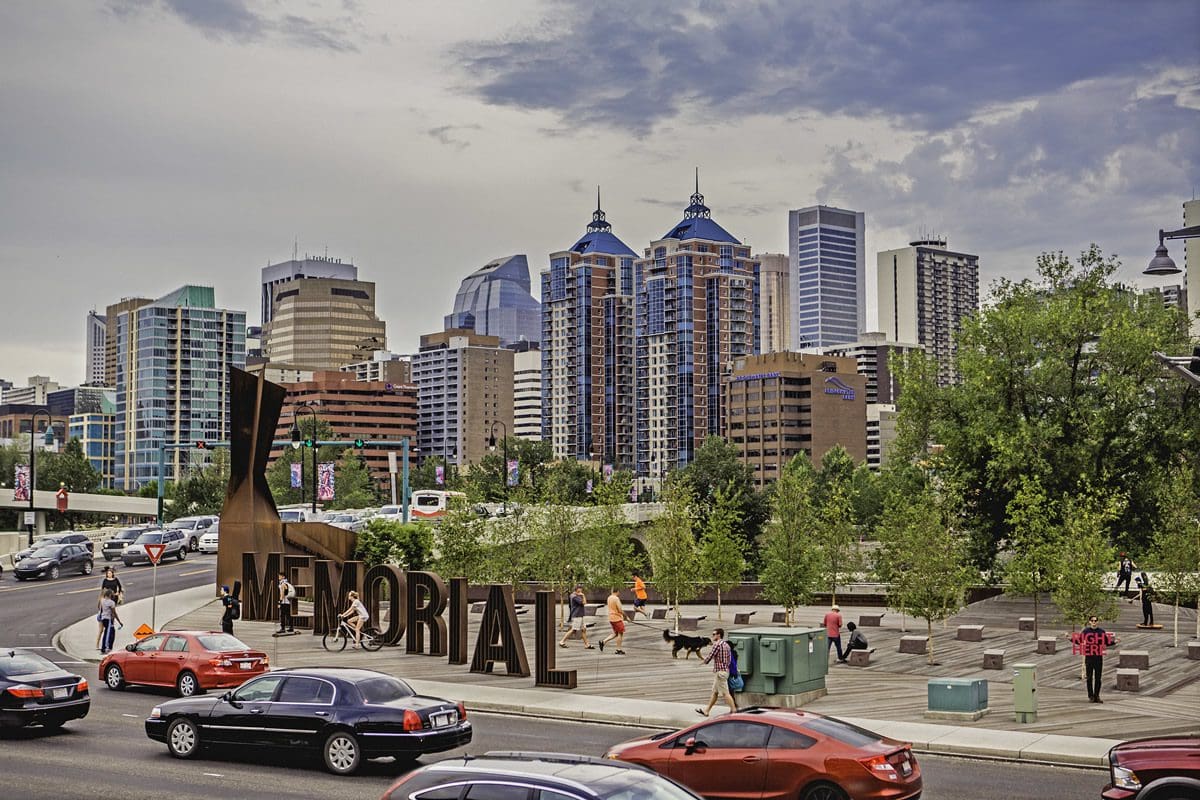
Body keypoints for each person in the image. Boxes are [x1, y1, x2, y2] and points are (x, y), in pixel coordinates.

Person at [695, 628, 738, 717]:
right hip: (725, 671)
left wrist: (704, 662)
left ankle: (734, 711)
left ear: (719, 635)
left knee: (726, 693)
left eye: (714, 634)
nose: (712, 636)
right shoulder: (726, 645)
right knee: (715, 692)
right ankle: (706, 711)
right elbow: (729, 659)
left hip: (720, 673)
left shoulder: (717, 644)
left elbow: (711, 655)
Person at [1073, 616, 1116, 703]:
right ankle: (1091, 696)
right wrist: (1070, 639)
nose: (1094, 622)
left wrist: (1115, 642)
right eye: (1092, 620)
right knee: (1089, 678)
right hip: (1089, 656)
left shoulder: (1101, 631)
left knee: (1098, 678)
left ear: (1098, 622)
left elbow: (1106, 642)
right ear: (1089, 622)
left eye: (1095, 621)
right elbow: (1079, 641)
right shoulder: (1086, 631)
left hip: (1098, 656)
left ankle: (1097, 696)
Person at [599, 588, 627, 654]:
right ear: (617, 591)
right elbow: (620, 610)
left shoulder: (609, 597)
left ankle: (603, 642)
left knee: (616, 633)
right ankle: (618, 649)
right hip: (616, 618)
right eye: (619, 592)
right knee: (620, 633)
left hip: (611, 618)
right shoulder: (616, 598)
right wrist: (626, 616)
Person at [98, 588, 122, 654]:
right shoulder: (111, 603)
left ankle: (107, 647)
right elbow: (114, 613)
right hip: (108, 619)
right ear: (110, 595)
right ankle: (105, 648)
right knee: (108, 634)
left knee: (110, 632)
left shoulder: (102, 600)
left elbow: (100, 608)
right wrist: (119, 622)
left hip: (103, 618)